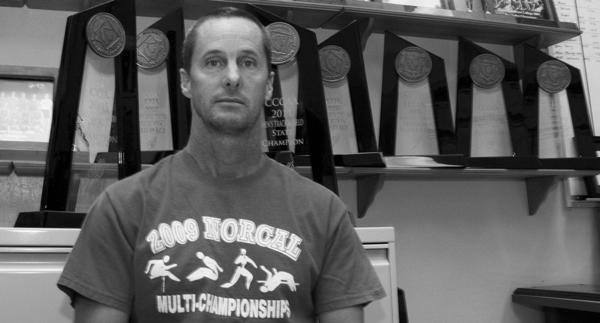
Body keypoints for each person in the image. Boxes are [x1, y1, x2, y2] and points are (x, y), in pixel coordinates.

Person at [57, 6, 385, 322]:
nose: (232, 77)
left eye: (248, 62)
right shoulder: (121, 208)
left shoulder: (325, 214)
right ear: (186, 81)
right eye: (214, 62)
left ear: (269, 84)